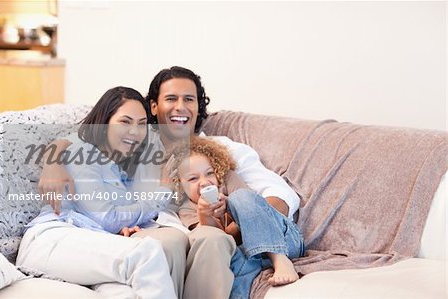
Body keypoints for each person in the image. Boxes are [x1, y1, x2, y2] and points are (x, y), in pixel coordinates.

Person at [38, 66, 301, 299]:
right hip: (166, 235)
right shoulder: (135, 149)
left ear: (199, 107)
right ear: (154, 106)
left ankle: (274, 257)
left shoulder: (220, 150)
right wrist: (54, 158)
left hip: (224, 236)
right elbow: (87, 142)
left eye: (189, 99)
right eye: (171, 99)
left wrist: (241, 228)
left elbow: (278, 195)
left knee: (212, 238)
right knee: (167, 244)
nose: (180, 107)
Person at [17, 86, 176, 299]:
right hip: (53, 239)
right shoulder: (82, 151)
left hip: (87, 241)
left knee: (127, 293)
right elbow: (107, 218)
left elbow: (112, 219)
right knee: (146, 253)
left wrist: (127, 226)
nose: (135, 132)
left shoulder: (117, 167)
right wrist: (163, 192)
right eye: (125, 121)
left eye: (142, 124)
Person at [168, 136, 305, 298]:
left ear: (218, 171)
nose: (204, 182)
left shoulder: (228, 179)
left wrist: (230, 207)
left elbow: (251, 207)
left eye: (209, 173)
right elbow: (219, 242)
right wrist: (205, 215)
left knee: (240, 197)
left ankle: (279, 259)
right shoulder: (186, 209)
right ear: (180, 186)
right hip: (249, 258)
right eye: (193, 178)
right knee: (227, 265)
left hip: (282, 240)